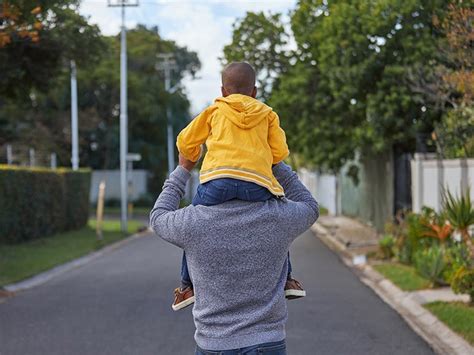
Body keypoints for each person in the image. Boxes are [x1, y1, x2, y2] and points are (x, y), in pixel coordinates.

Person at [150, 154, 319, 354]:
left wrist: (183, 168)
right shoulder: (278, 216)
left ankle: (186, 288)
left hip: (213, 344)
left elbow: (158, 216)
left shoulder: (194, 220)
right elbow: (310, 206)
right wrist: (275, 163)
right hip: (267, 342)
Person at [173, 62, 304, 310]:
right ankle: (287, 280)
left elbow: (185, 139)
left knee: (190, 228)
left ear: (223, 91)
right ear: (254, 91)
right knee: (280, 223)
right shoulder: (267, 114)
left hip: (216, 182)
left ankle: (186, 286)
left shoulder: (214, 111)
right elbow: (280, 151)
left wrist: (193, 153)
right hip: (257, 184)